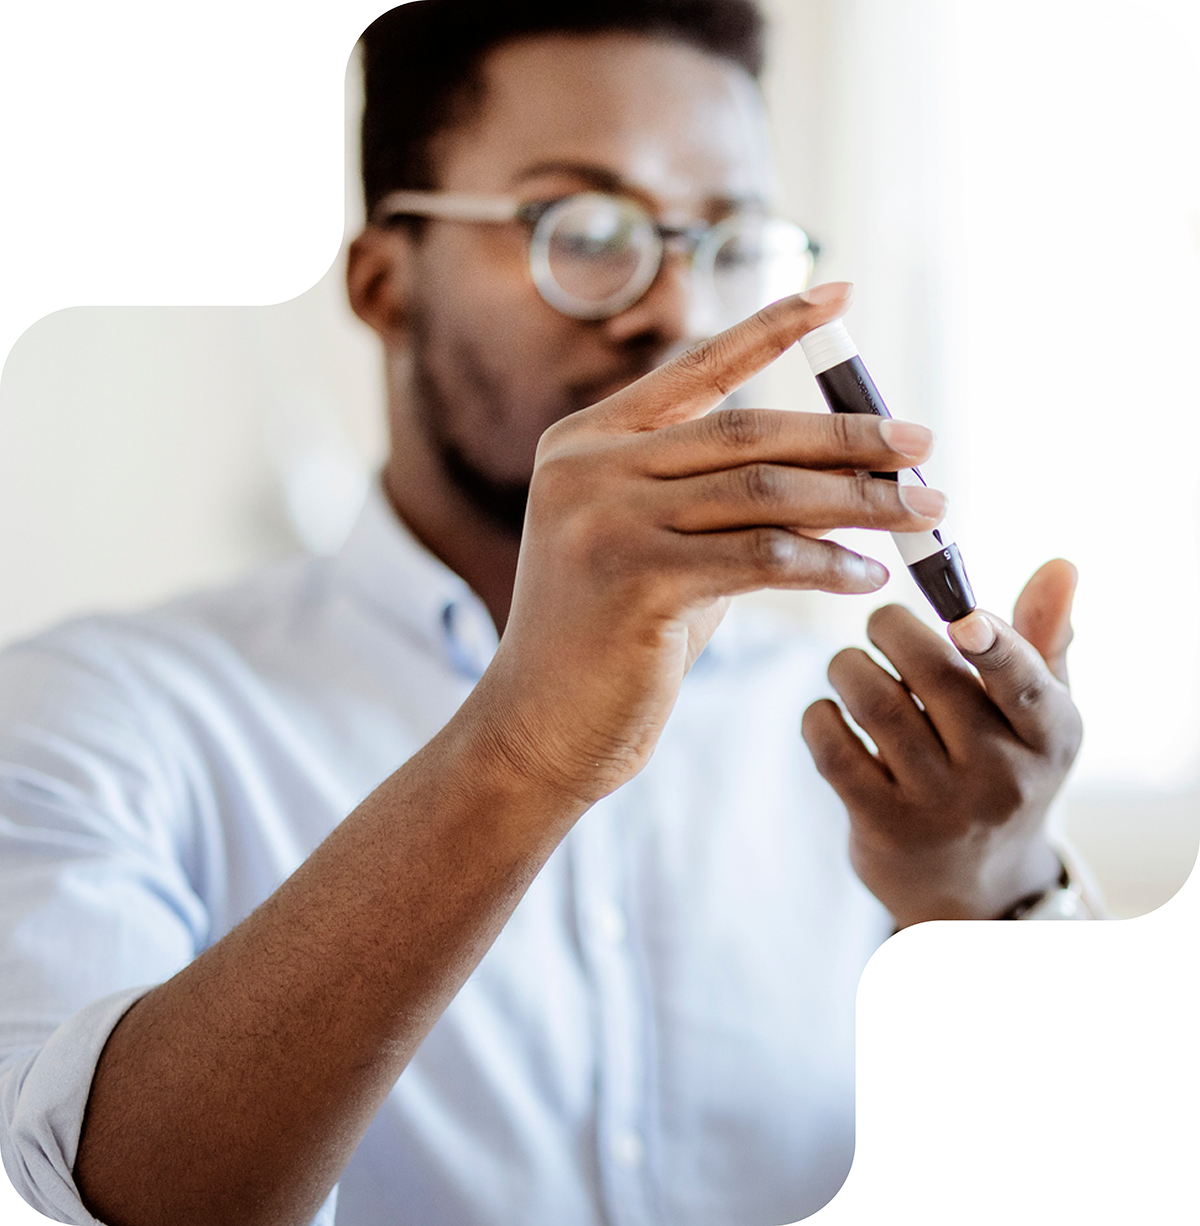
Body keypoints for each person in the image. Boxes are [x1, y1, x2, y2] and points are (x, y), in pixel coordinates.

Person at [0, 3, 1090, 1225]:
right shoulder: (87, 711)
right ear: (382, 280)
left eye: (728, 241)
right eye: (583, 229)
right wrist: (522, 748)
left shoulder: (882, 754)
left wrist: (991, 891)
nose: (672, 312)